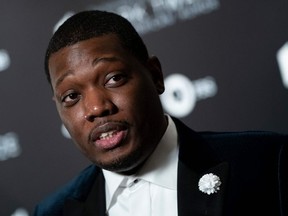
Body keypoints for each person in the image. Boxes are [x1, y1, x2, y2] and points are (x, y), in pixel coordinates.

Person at [33, 10, 288, 216]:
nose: (97, 107)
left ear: (155, 75)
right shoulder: (51, 212)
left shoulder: (268, 162)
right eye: (72, 96)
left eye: (114, 78)